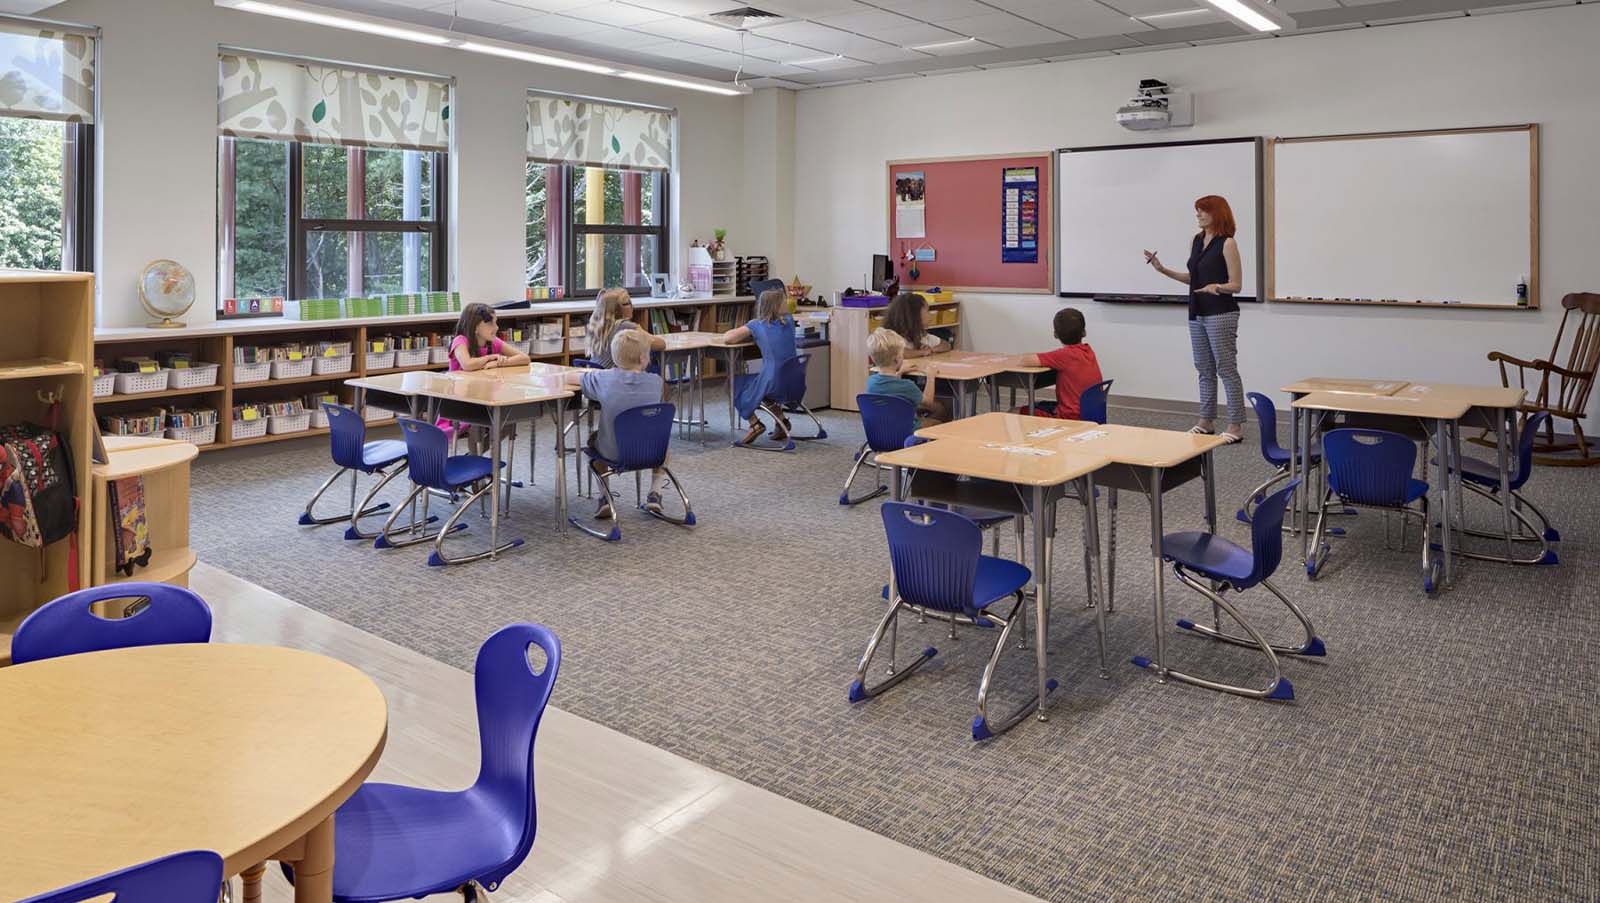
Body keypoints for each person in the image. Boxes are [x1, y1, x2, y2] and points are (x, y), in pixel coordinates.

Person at [1144, 194, 1246, 443]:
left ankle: (1235, 425)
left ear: (1217, 213)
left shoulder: (1228, 243)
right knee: (1204, 368)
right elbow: (1193, 278)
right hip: (1197, 311)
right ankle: (1206, 420)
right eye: (1197, 211)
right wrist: (1162, 269)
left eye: (1203, 211)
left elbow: (1237, 285)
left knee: (1226, 369)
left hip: (1221, 312)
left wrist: (1217, 287)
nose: (1198, 215)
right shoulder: (1197, 241)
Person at [564, 329, 670, 516]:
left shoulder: (603, 379)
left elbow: (569, 378)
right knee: (663, 443)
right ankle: (655, 493)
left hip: (613, 452)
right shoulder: (656, 381)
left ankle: (604, 497)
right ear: (643, 359)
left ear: (614, 357)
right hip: (652, 452)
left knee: (593, 443)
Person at [444, 303, 529, 454]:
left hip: (486, 399)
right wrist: (492, 357)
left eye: (496, 322)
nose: (496, 327)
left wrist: (500, 362)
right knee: (477, 423)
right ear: (475, 327)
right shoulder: (460, 341)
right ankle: (474, 460)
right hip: (460, 403)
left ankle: (474, 457)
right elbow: (467, 364)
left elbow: (524, 358)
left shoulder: (493, 342)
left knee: (509, 421)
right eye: (490, 323)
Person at [723, 288, 799, 446]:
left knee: (732, 383)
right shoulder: (790, 321)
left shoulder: (756, 325)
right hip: (793, 381)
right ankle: (782, 421)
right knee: (763, 385)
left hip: (773, 383)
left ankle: (754, 424)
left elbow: (728, 338)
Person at [1016, 307, 1102, 420]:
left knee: (1015, 410)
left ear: (1055, 334)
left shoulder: (1063, 355)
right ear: (1084, 332)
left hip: (1070, 417)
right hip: (1091, 413)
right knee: (1038, 404)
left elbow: (1025, 360)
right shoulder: (1088, 351)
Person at [865, 328, 947, 426]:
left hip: (881, 431)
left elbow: (890, 388)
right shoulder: (907, 386)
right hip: (907, 432)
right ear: (897, 359)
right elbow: (928, 402)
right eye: (901, 355)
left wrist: (899, 373)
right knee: (940, 413)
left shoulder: (871, 382)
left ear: (873, 358)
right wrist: (930, 377)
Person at [586, 288, 666, 369]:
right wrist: (638, 328)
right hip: (613, 377)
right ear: (617, 308)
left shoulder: (596, 325)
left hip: (594, 375)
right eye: (628, 303)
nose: (632, 306)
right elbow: (661, 344)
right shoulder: (625, 327)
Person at [879, 292, 950, 359]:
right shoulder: (890, 336)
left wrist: (932, 349)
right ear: (914, 315)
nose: (930, 315)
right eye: (927, 311)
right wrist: (921, 352)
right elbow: (898, 352)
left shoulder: (921, 334)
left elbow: (946, 345)